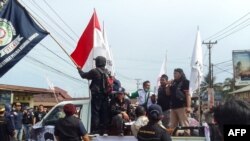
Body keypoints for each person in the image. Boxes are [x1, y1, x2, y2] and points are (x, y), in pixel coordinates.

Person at [77, 56, 110, 135]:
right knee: (104, 112)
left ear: (97, 62)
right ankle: (104, 129)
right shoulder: (107, 72)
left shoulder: (95, 71)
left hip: (97, 95)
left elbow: (84, 75)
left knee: (95, 113)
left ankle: (95, 130)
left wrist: (79, 69)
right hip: (105, 95)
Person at [169, 68, 191, 135]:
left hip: (182, 107)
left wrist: (189, 107)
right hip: (173, 107)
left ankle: (187, 138)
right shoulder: (173, 83)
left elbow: (188, 95)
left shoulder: (186, 82)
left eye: (175, 73)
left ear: (180, 74)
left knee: (185, 125)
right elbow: (169, 94)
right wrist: (168, 86)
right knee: (171, 126)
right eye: (173, 73)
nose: (174, 75)